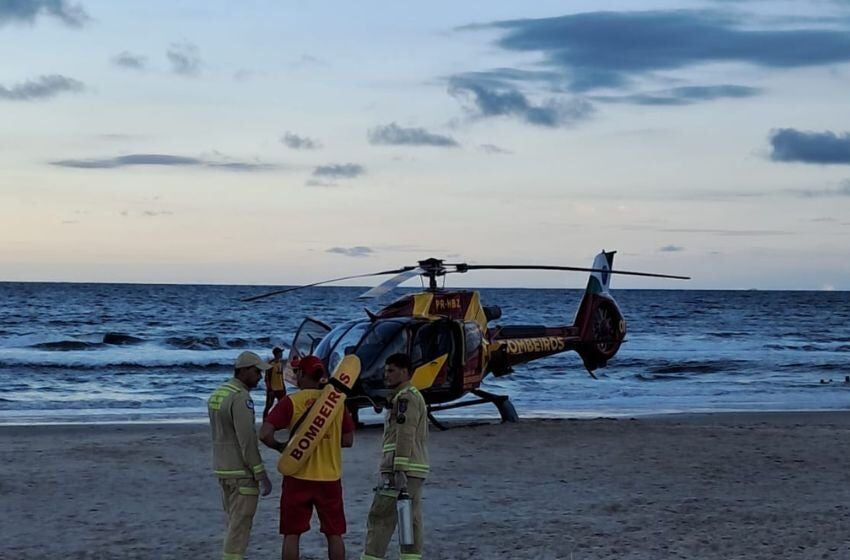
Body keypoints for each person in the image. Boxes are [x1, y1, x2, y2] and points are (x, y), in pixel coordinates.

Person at [259, 355, 355, 560]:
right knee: (334, 533)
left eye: (296, 372)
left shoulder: (291, 402)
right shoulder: (337, 404)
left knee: (291, 534)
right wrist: (326, 440)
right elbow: (348, 441)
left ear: (302, 374)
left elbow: (264, 434)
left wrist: (281, 447)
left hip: (297, 476)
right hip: (329, 478)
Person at [361, 353, 429, 560]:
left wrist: (398, 469)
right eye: (386, 371)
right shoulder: (411, 396)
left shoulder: (405, 398)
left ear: (405, 372)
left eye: (391, 371)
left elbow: (405, 433)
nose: (386, 375)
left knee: (380, 517)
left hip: (399, 469)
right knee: (410, 519)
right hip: (415, 468)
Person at [208, 350, 274, 560]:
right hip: (241, 472)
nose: (260, 377)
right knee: (239, 528)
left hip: (222, 468)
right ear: (243, 371)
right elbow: (247, 440)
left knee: (233, 523)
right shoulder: (241, 398)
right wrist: (261, 474)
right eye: (256, 372)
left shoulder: (218, 393)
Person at [263, 346, 287, 420]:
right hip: (273, 389)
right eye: (280, 353)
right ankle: (265, 419)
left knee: (282, 405)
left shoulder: (280, 363)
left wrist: (284, 387)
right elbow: (267, 379)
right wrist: (270, 390)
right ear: (277, 354)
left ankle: (280, 419)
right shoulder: (270, 364)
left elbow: (281, 377)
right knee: (269, 405)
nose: (282, 354)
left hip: (280, 388)